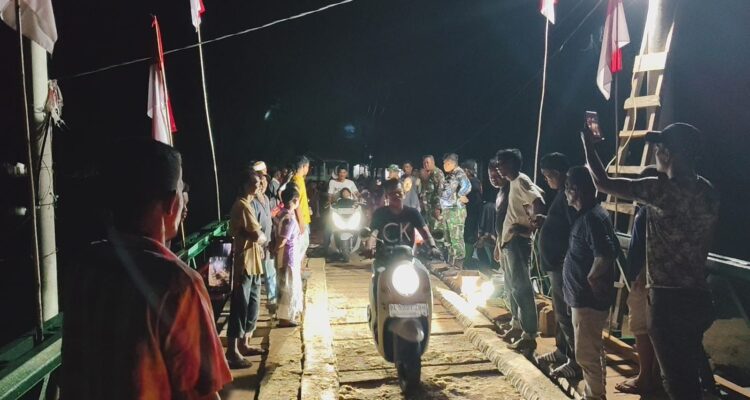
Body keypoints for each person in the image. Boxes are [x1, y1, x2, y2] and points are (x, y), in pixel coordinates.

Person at [62, 139, 231, 399]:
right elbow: (200, 392)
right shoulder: (178, 284)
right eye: (182, 188)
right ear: (171, 202)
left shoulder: (84, 265)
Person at [581, 123, 720, 400]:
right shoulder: (708, 191)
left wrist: (588, 144)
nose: (656, 152)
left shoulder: (660, 189)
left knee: (676, 383)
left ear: (667, 153)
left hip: (667, 301)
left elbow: (602, 183)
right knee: (688, 376)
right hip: (698, 296)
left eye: (659, 148)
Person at [563, 167, 619, 400]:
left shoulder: (591, 218)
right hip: (583, 297)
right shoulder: (591, 214)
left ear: (575, 190)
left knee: (586, 354)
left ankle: (594, 396)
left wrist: (592, 278)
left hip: (587, 300)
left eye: (567, 189)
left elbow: (606, 254)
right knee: (594, 348)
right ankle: (597, 392)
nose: (566, 194)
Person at [533, 153, 580, 378]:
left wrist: (565, 259)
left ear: (559, 174)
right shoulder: (560, 195)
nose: (546, 180)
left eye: (548, 176)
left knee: (566, 314)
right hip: (554, 265)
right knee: (560, 313)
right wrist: (546, 221)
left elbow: (573, 230)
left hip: (562, 265)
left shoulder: (569, 197)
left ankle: (576, 361)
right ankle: (562, 351)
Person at [615, 166, 661, 395]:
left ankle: (644, 378)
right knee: (657, 330)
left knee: (642, 329)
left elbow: (640, 248)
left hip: (645, 277)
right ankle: (655, 376)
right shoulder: (665, 211)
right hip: (660, 277)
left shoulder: (646, 213)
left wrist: (637, 275)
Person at [495, 148, 545, 353]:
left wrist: (531, 226)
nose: (498, 167)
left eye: (502, 163)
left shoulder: (521, 180)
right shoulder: (512, 184)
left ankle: (529, 335)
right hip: (508, 242)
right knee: (512, 287)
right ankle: (517, 325)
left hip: (517, 242)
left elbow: (538, 200)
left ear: (512, 164)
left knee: (522, 289)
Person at [365, 179, 441, 295]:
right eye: (392, 193)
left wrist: (433, 246)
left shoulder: (413, 213)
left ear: (404, 194)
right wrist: (369, 247)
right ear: (387, 196)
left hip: (408, 257)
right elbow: (373, 234)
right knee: (378, 280)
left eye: (399, 192)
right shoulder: (380, 214)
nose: (396, 195)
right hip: (385, 259)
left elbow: (425, 232)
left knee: (424, 275)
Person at [226, 171, 267, 369]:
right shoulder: (242, 206)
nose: (258, 185)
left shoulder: (250, 204)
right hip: (244, 263)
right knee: (240, 306)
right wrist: (260, 237)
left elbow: (255, 235)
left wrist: (257, 237)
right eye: (254, 182)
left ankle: (244, 343)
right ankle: (232, 350)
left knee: (252, 304)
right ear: (243, 185)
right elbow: (258, 235)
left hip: (254, 262)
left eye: (259, 182)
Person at [276, 186, 304, 326]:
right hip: (288, 257)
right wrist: (275, 249)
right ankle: (285, 318)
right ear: (295, 200)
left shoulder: (280, 214)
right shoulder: (289, 219)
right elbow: (283, 240)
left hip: (286, 257)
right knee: (289, 287)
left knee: (285, 286)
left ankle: (286, 316)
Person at [437, 153, 471, 267]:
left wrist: (460, 195)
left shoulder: (459, 172)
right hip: (447, 210)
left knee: (456, 239)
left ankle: (457, 266)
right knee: (448, 239)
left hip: (455, 211)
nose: (444, 165)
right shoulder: (450, 175)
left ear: (451, 163)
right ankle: (451, 264)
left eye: (445, 163)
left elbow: (467, 185)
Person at [252, 172, 278, 315]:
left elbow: (269, 220)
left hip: (268, 242)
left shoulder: (266, 199)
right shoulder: (252, 202)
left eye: (264, 182)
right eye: (259, 182)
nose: (262, 185)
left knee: (270, 271)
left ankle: (272, 300)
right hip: (257, 243)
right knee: (257, 275)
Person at [461, 159, 483, 268]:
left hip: (471, 215)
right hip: (472, 214)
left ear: (467, 171)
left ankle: (467, 260)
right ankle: (467, 259)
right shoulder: (476, 182)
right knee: (468, 236)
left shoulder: (472, 183)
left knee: (468, 236)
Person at [292, 156, 312, 259]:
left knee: (304, 244)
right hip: (301, 219)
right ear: (304, 166)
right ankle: (297, 266)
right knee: (302, 245)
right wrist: (300, 222)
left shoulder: (299, 179)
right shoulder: (297, 181)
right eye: (308, 167)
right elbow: (296, 204)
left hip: (303, 217)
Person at [419, 154, 445, 231]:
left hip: (434, 209)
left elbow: (440, 192)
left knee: (437, 230)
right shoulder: (426, 174)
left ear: (433, 162)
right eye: (424, 163)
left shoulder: (438, 174)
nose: (425, 165)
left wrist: (437, 208)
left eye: (427, 162)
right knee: (429, 230)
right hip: (427, 208)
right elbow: (424, 190)